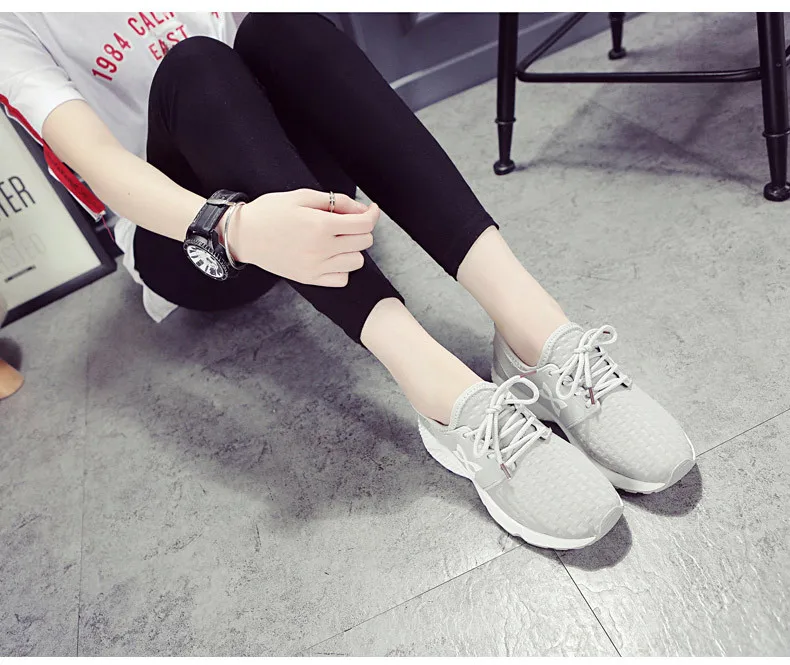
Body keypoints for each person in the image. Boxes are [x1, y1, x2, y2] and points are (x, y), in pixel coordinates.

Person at [0, 12, 696, 550]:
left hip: (308, 198)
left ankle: (535, 334)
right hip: (196, 242)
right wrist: (234, 226)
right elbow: (97, 161)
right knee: (194, 65)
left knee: (283, 27)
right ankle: (444, 396)